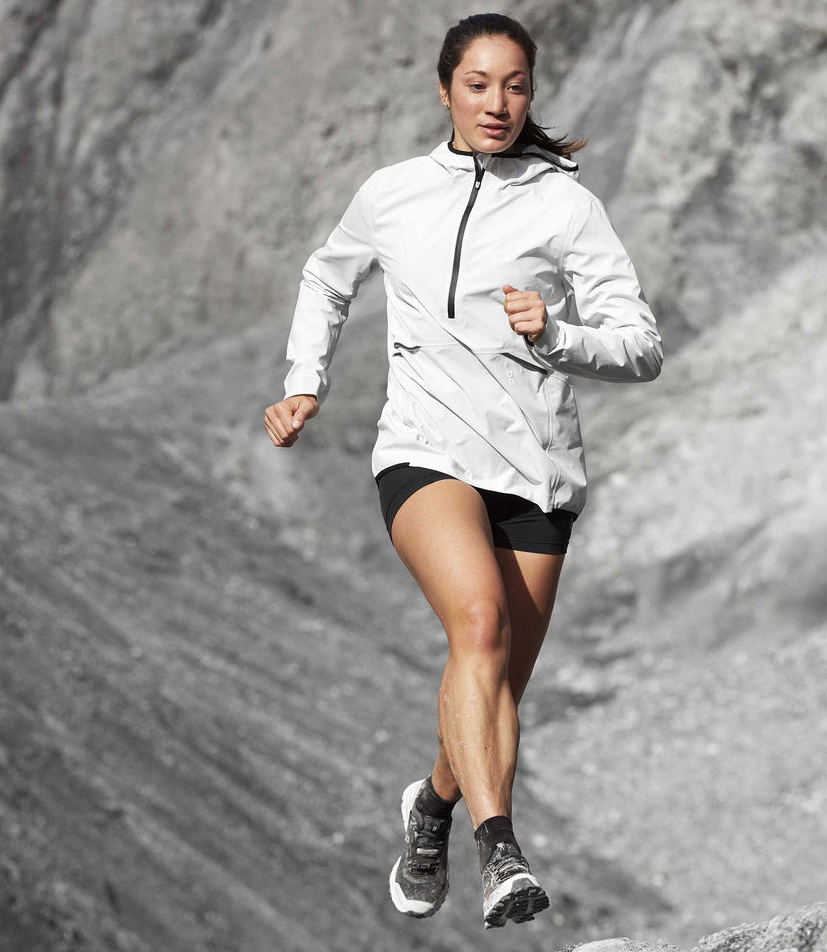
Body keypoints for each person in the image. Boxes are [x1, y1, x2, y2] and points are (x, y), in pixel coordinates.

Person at [264, 12, 662, 931]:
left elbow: (641, 346)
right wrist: (303, 385)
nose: (497, 102)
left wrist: (556, 333)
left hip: (537, 471)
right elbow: (327, 279)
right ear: (444, 88)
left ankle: (432, 806)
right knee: (477, 625)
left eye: (515, 85)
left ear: (532, 93)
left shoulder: (566, 204)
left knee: (496, 682)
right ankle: (499, 850)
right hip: (423, 450)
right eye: (478, 84)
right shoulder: (393, 192)